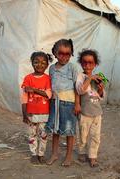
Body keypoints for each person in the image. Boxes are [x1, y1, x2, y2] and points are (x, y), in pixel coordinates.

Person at [45, 39, 80, 167]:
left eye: (68, 54)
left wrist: (77, 104)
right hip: (55, 103)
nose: (64, 57)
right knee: (55, 130)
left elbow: (77, 86)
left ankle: (69, 156)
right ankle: (54, 154)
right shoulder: (52, 68)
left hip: (69, 104)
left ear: (71, 54)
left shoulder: (72, 67)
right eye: (61, 53)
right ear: (54, 52)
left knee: (69, 131)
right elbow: (50, 85)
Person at [21, 51, 53, 163]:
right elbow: (24, 98)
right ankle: (34, 154)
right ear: (32, 63)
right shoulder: (28, 78)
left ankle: (41, 154)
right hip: (31, 113)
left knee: (43, 135)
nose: (40, 65)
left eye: (43, 62)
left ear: (47, 65)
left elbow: (49, 95)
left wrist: (34, 90)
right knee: (32, 135)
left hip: (45, 113)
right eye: (36, 62)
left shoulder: (48, 79)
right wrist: (24, 114)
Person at [75, 49, 104, 167]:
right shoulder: (80, 77)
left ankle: (92, 156)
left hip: (97, 113)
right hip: (84, 113)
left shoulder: (98, 78)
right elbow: (80, 90)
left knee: (95, 136)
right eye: (84, 62)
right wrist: (90, 78)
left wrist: (101, 89)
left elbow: (101, 96)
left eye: (90, 63)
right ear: (81, 64)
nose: (87, 65)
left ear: (95, 64)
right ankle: (81, 151)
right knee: (82, 135)